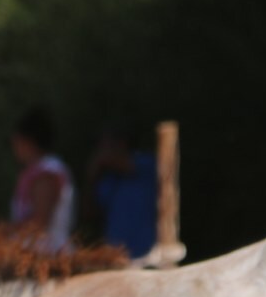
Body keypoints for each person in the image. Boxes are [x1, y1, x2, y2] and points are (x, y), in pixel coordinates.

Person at [83, 125, 157, 257]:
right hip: (117, 255)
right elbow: (90, 213)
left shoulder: (146, 163)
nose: (100, 150)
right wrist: (92, 178)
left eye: (104, 144)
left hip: (149, 253)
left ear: (122, 143)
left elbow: (128, 166)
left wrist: (98, 164)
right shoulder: (108, 178)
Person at [8, 106, 75, 253]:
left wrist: (2, 235)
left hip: (50, 255)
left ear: (27, 141)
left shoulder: (47, 173)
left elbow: (39, 223)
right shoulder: (37, 171)